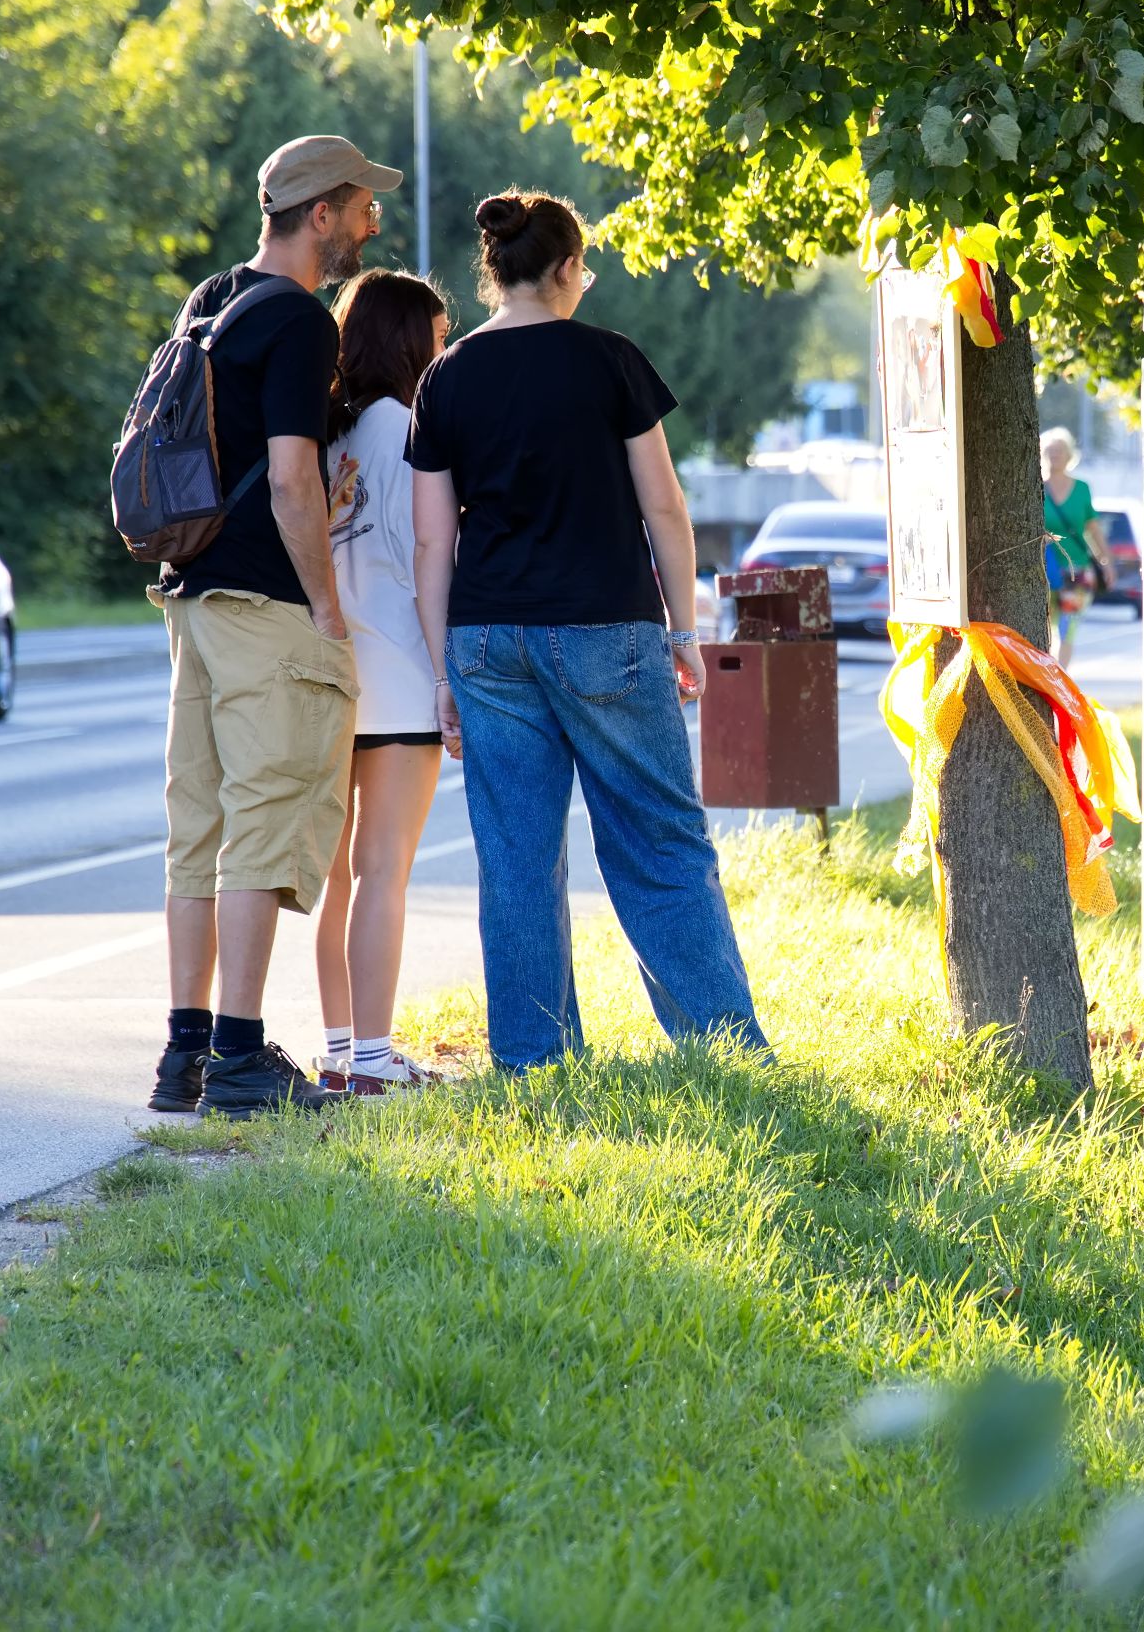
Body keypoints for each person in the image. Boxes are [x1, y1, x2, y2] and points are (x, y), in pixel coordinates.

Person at [407, 190, 768, 1070]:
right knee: (659, 841)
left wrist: (444, 673)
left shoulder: (445, 377)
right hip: (606, 627)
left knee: (516, 859)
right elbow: (664, 508)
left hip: (488, 638)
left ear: (497, 271)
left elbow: (430, 540)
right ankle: (721, 1052)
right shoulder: (610, 360)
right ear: (567, 268)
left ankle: (534, 1064)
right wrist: (685, 633)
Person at [146, 134, 399, 1119]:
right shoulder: (298, 321)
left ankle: (186, 1054)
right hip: (263, 605)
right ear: (320, 212)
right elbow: (294, 479)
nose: (372, 225)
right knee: (263, 823)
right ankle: (244, 1058)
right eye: (363, 208)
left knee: (198, 827)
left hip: (193, 596)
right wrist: (327, 611)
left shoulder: (211, 300)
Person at [313, 269, 453, 1096]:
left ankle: (340, 1051)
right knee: (383, 870)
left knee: (336, 877)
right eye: (438, 337)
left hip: (333, 673)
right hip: (400, 672)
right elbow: (426, 556)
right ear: (408, 342)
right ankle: (374, 1058)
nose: (444, 352)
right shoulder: (407, 427)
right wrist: (447, 675)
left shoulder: (330, 434)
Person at [1040, 427, 1112, 663]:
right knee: (1045, 629)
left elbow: (1093, 529)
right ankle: (1046, 676)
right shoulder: (1036, 487)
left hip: (1077, 571)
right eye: (1050, 451)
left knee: (1067, 630)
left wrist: (1106, 562)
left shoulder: (1082, 489)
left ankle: (1060, 677)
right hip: (1044, 571)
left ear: (1069, 455)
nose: (1055, 455)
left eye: (1059, 451)